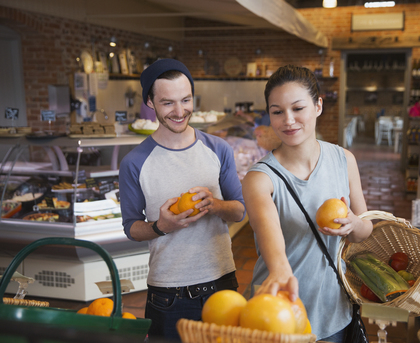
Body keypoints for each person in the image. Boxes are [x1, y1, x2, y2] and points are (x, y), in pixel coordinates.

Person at [242, 65, 373, 342]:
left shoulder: (344, 160)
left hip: (333, 311)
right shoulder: (259, 178)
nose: (288, 120)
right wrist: (280, 269)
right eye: (277, 111)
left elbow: (367, 230)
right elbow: (272, 244)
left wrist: (354, 223)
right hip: (277, 314)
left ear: (318, 106)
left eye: (298, 108)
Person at [119, 58, 246, 341]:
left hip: (222, 285)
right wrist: (161, 226)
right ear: (150, 103)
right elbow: (131, 227)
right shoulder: (134, 162)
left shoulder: (218, 149)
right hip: (168, 294)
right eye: (168, 103)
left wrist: (215, 204)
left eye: (186, 100)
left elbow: (238, 211)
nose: (179, 111)